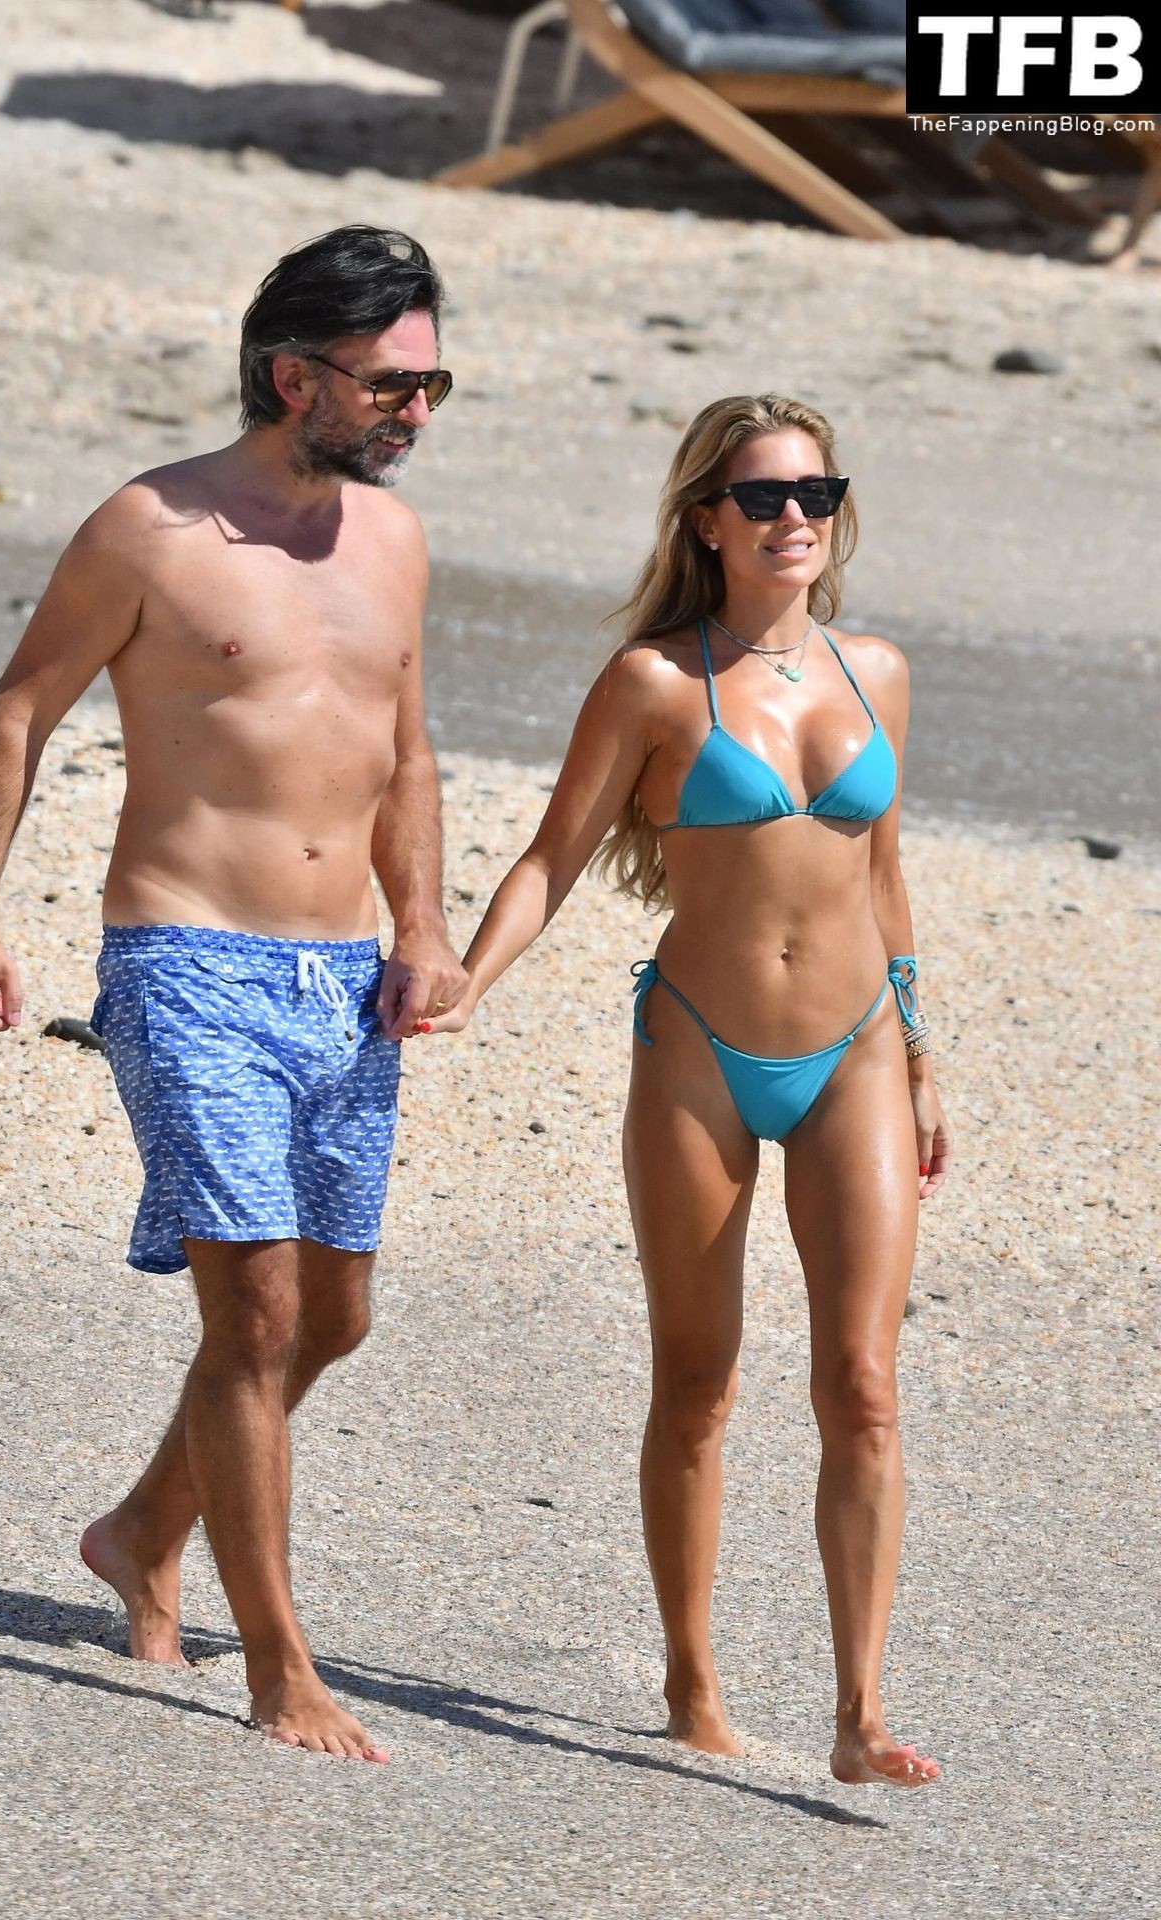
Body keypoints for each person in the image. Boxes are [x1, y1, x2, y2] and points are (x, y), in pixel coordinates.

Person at [0, 225, 466, 1761]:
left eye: (432, 389)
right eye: (390, 386)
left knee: (334, 1318)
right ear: (295, 376)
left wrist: (423, 923)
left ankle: (141, 1531)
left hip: (345, 976)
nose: (414, 414)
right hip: (186, 960)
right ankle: (279, 1667)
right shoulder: (150, 529)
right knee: (259, 1311)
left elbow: (406, 752)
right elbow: (18, 714)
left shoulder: (396, 544)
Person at [427, 394, 951, 1787]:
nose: (795, 519)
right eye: (763, 498)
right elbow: (553, 855)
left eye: (816, 494)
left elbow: (886, 878)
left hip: (858, 1053)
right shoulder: (655, 683)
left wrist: (922, 1053)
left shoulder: (880, 673)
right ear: (707, 520)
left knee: (865, 1386)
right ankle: (692, 1681)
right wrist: (469, 976)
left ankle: (860, 1713)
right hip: (701, 1051)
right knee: (699, 1380)